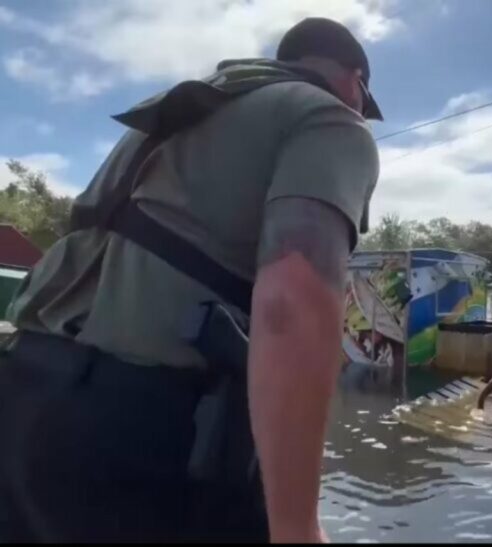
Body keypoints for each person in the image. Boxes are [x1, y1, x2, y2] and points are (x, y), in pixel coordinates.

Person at [0, 17, 381, 543]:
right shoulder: (331, 119)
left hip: (24, 394)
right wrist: (296, 526)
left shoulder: (179, 113)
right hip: (147, 435)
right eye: (364, 98)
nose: (361, 112)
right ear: (355, 79)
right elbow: (294, 303)